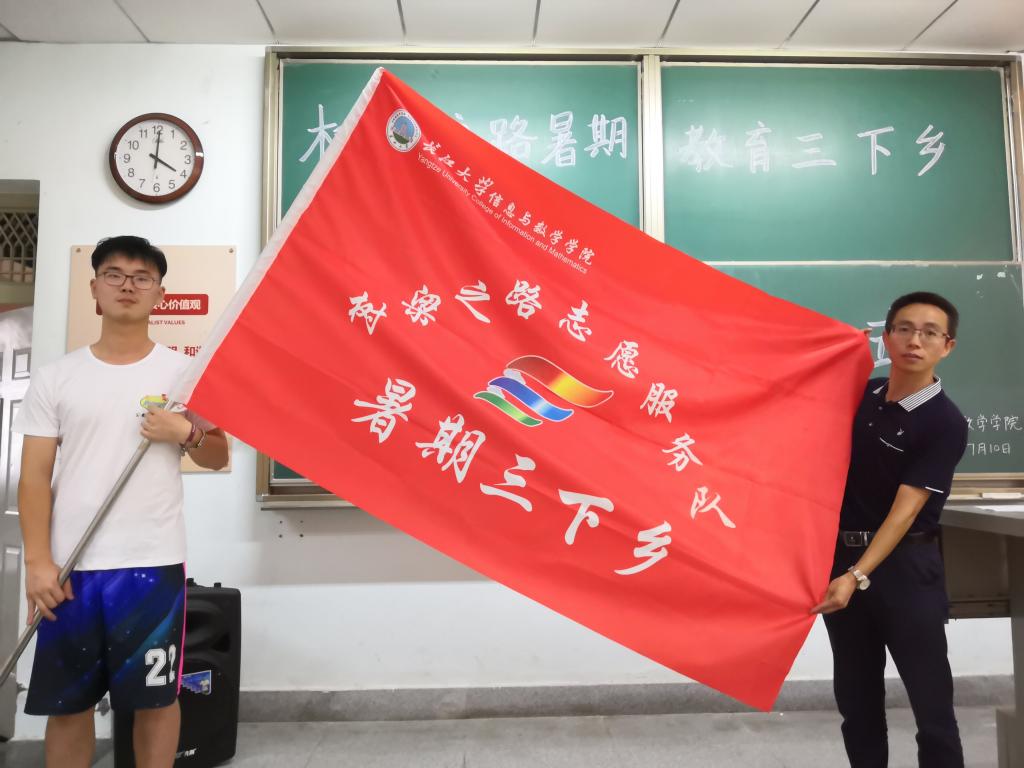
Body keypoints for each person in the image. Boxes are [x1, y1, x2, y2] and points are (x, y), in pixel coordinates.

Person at [16, 236, 229, 768]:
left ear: (160, 294)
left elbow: (218, 454)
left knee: (156, 701)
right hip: (71, 569)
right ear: (94, 288)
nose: (127, 285)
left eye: (141, 277)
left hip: (152, 564)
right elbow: (35, 477)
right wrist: (38, 561)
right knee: (68, 705)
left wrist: (185, 432)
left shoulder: (184, 374)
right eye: (114, 274)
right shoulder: (56, 377)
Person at [812, 291, 967, 767]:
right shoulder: (866, 395)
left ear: (947, 346)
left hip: (905, 571)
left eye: (929, 333)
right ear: (887, 336)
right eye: (904, 329)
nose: (914, 341)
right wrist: (834, 353)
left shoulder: (945, 422)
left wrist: (857, 575)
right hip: (843, 563)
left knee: (932, 711)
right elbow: (801, 407)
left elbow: (905, 511)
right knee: (856, 706)